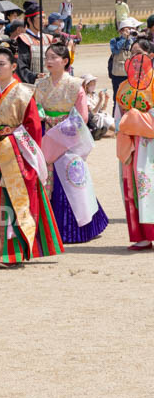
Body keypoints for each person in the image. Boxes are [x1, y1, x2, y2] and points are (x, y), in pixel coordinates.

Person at [0, 43, 63, 266]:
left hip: (16, 154)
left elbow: (33, 127)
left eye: (2, 64)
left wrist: (17, 145)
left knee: (15, 200)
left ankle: (12, 253)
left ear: (13, 67)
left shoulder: (24, 93)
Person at [34, 44, 108, 244]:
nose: (49, 61)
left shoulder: (76, 85)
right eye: (47, 57)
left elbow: (82, 117)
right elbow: (35, 108)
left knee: (72, 180)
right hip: (45, 135)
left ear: (65, 61)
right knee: (44, 178)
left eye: (53, 57)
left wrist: (60, 131)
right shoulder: (40, 84)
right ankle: (46, 228)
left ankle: (75, 229)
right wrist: (40, 114)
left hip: (68, 136)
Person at [114, 39, 154, 249]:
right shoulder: (124, 86)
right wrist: (125, 124)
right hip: (129, 142)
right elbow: (117, 117)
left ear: (151, 56)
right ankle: (142, 235)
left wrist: (135, 118)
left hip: (150, 143)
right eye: (132, 54)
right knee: (132, 188)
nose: (134, 58)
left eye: (139, 53)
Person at [13, 0, 55, 84]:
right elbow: (21, 67)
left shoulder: (48, 38)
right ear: (29, 20)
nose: (43, 21)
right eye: (40, 18)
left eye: (44, 17)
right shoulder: (23, 40)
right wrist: (34, 76)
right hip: (31, 85)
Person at [109, 18, 138, 96]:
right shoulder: (114, 40)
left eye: (130, 29)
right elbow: (115, 50)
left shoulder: (133, 41)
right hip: (118, 74)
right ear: (120, 31)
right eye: (126, 29)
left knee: (130, 96)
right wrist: (123, 39)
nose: (129, 31)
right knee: (117, 96)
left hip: (130, 75)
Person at [82, 75, 114, 139]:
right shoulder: (84, 97)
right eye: (92, 84)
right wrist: (100, 100)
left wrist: (106, 100)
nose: (94, 86)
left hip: (101, 115)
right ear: (86, 85)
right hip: (95, 118)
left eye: (94, 84)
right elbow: (93, 113)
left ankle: (112, 131)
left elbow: (102, 109)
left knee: (111, 119)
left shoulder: (94, 95)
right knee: (107, 120)